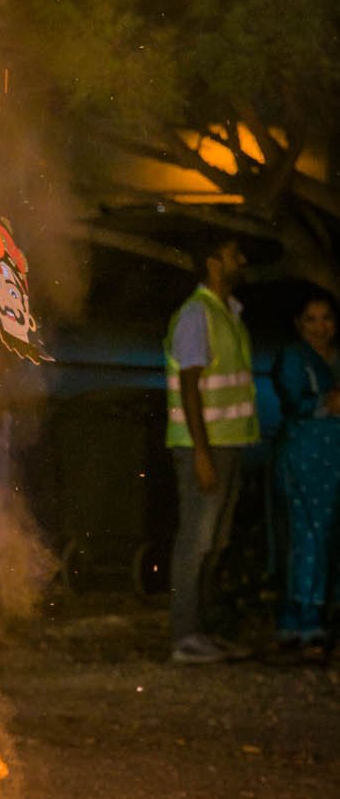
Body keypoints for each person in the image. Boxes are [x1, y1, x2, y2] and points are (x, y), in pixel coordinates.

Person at [164, 236, 259, 663]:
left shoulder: (227, 313)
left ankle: (201, 631)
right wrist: (201, 453)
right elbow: (189, 385)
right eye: (233, 253)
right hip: (205, 446)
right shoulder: (196, 315)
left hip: (227, 443)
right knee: (197, 542)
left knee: (213, 542)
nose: (242, 260)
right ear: (213, 262)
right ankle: (185, 636)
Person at [271, 290, 340, 659]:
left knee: (328, 537)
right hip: (303, 456)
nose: (320, 327)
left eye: (326, 318)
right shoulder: (294, 357)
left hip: (334, 459)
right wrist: (326, 404)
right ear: (299, 323)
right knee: (305, 537)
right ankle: (300, 622)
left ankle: (318, 620)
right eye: (311, 319)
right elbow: (293, 401)